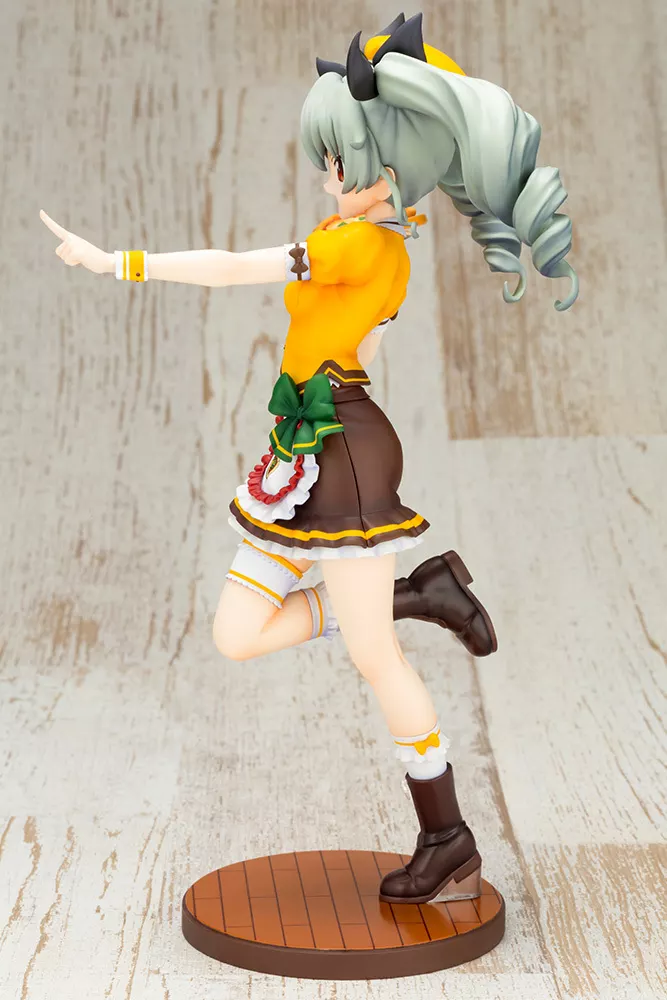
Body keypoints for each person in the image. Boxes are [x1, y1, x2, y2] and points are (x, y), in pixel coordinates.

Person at [40, 12, 576, 904]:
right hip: (303, 440)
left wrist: (120, 263)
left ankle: (446, 834)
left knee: (375, 658)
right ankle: (419, 594)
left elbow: (230, 267)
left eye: (340, 159)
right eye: (326, 159)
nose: (328, 176)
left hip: (345, 448)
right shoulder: (371, 243)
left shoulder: (360, 244)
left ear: (389, 164)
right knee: (236, 634)